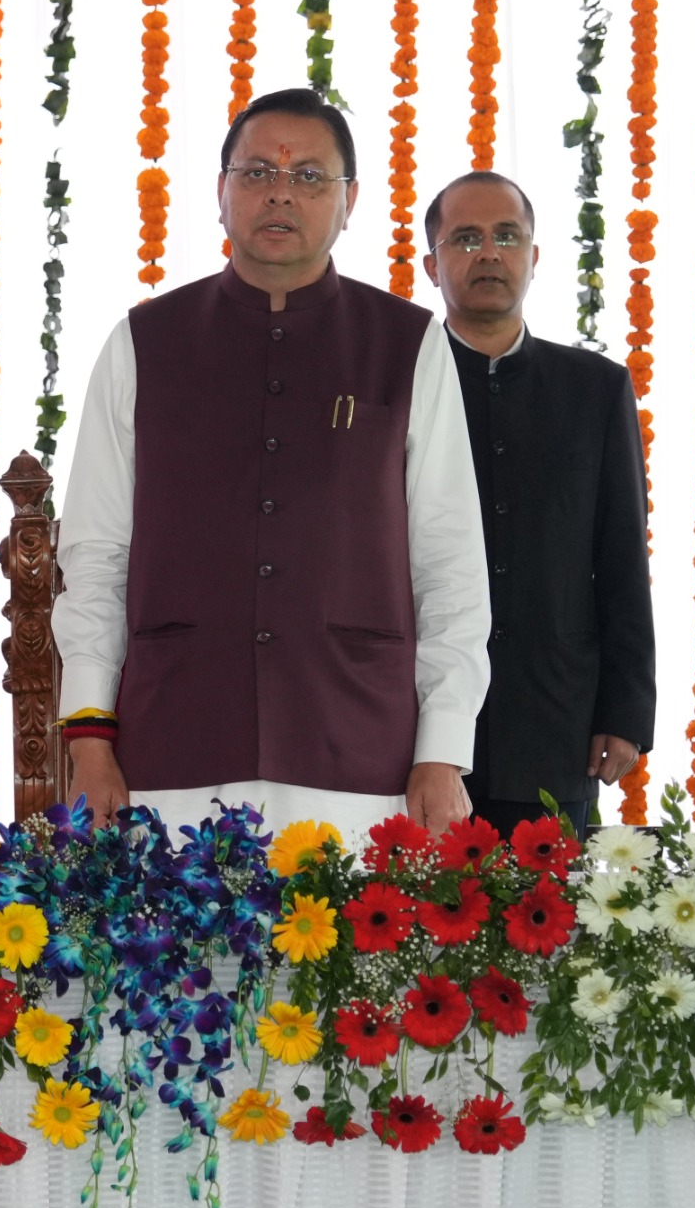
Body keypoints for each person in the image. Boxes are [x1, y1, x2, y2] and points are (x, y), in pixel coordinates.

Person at [52, 86, 491, 843]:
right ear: (220, 193)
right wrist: (90, 741)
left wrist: (443, 750)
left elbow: (449, 565)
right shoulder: (143, 345)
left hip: (360, 758)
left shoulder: (407, 345)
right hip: (171, 756)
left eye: (310, 176)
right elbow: (95, 557)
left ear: (350, 201)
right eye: (257, 173)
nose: (281, 193)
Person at [423, 170, 654, 834]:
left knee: (550, 903)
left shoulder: (594, 389)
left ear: (534, 256)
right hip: (422, 734)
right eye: (465, 238)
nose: (489, 253)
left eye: (507, 237)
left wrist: (626, 711)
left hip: (555, 720)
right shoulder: (400, 384)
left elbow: (621, 558)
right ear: (432, 264)